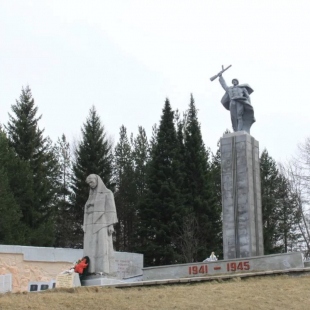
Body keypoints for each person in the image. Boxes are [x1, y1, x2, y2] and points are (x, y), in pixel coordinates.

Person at [83, 174, 118, 276]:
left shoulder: (107, 193)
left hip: (102, 222)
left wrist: (110, 225)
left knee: (102, 246)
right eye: (88, 183)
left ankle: (102, 270)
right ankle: (90, 270)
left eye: (91, 182)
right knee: (91, 246)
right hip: (90, 223)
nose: (90, 185)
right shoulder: (91, 195)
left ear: (97, 180)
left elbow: (111, 210)